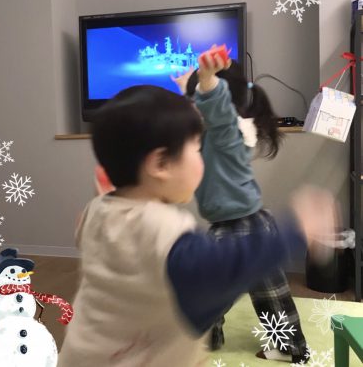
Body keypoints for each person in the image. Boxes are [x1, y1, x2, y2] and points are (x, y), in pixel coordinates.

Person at [58, 83, 337, 367]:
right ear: (160, 164)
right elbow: (225, 268)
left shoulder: (97, 210)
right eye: (196, 148)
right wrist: (295, 232)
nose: (202, 159)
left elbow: (89, 235)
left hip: (80, 355)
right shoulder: (163, 228)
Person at [172, 49, 309, 363]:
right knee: (222, 287)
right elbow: (201, 110)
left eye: (199, 97)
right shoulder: (217, 129)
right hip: (234, 222)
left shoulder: (227, 131)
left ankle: (290, 348)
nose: (195, 105)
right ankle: (209, 337)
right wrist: (187, 87)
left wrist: (206, 79)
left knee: (264, 293)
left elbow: (215, 106)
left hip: (244, 223)